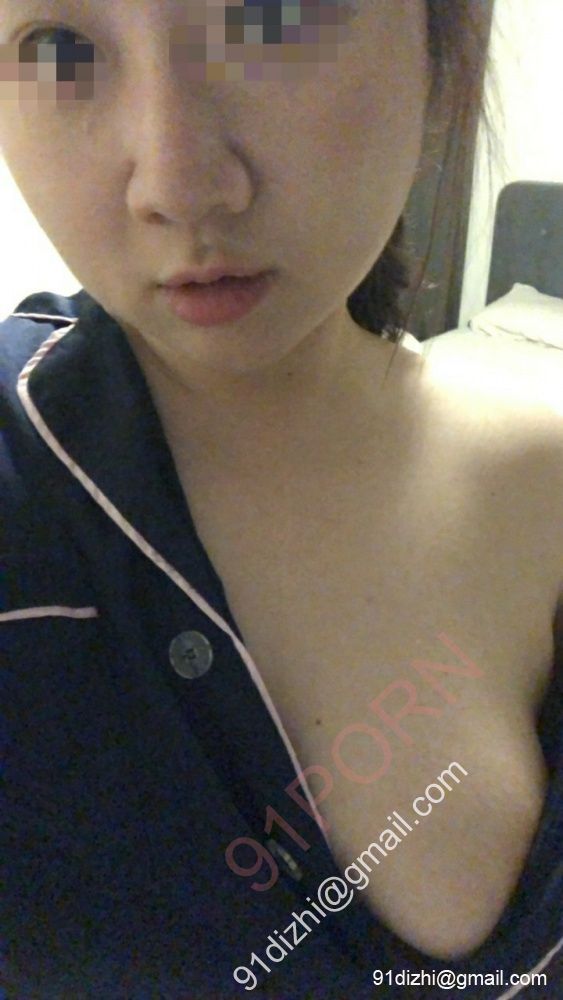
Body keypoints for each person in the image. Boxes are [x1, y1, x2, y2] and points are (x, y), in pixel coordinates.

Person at [0, 2, 562, 997]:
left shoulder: (543, 480)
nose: (178, 186)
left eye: (272, 15)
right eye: (60, 49)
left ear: (443, 46)